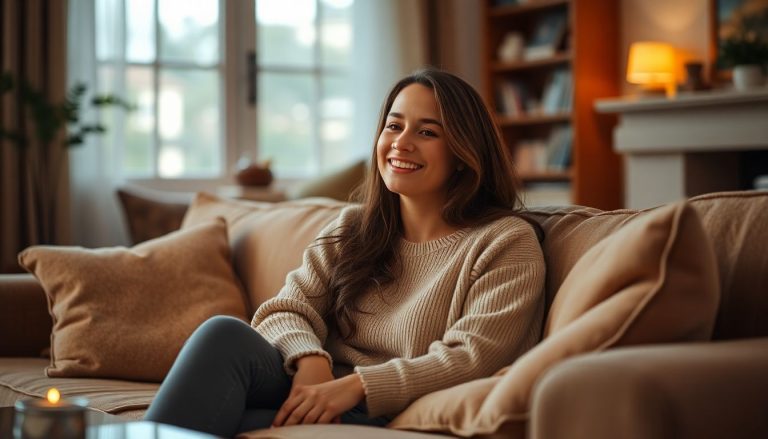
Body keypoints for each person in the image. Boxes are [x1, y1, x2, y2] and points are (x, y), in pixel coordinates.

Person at [144, 67, 545, 437]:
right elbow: (286, 309)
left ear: (462, 152)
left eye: (427, 132)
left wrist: (354, 387)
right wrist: (310, 360)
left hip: (383, 406)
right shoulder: (354, 227)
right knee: (223, 334)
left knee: (230, 422)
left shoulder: (505, 242)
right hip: (314, 382)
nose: (401, 143)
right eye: (394, 126)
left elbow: (472, 358)